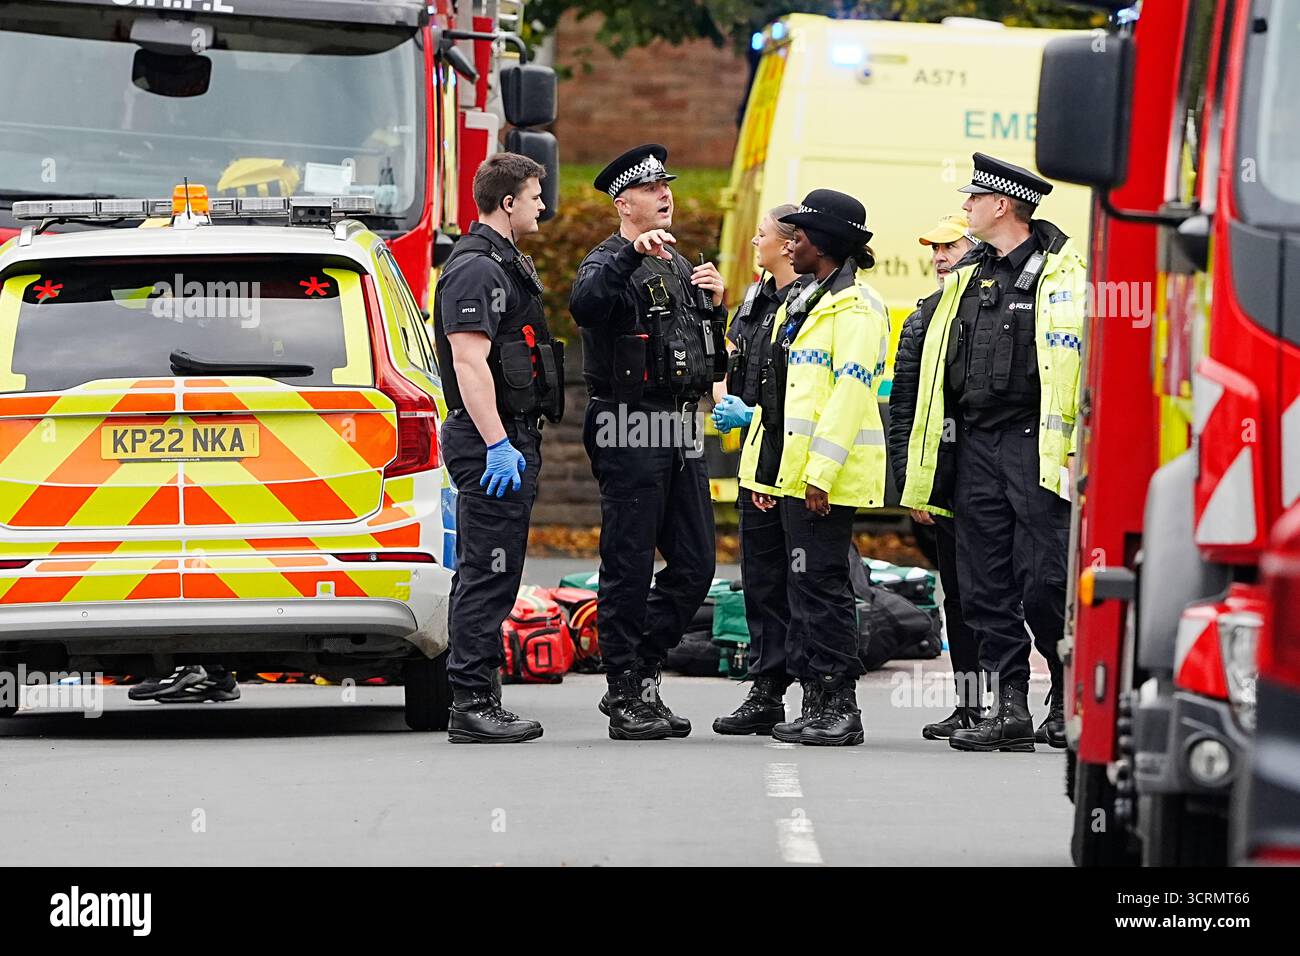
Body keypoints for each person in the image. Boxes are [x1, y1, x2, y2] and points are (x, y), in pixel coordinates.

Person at [901, 153, 1086, 752]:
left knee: (1046, 581)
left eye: (974, 200)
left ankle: (1064, 697)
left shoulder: (1067, 275)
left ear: (1002, 205)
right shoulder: (964, 278)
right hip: (974, 445)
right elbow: (931, 375)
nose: (966, 208)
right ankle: (1006, 709)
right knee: (983, 584)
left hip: (1037, 446)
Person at [569, 144, 728, 741]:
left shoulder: (680, 264)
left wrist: (713, 306)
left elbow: (701, 351)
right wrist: (626, 258)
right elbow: (585, 306)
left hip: (680, 425)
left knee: (695, 563)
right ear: (623, 202)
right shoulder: (606, 260)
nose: (666, 195)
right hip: (628, 423)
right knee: (629, 563)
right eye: (653, 188)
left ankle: (643, 663)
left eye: (668, 185)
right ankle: (624, 689)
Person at [737, 189, 890, 747]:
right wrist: (766, 474)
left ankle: (839, 706)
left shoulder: (856, 307)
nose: (790, 242)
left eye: (799, 236)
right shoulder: (807, 301)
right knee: (801, 589)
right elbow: (783, 396)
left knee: (823, 590)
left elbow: (849, 395)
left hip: (821, 478)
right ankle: (816, 700)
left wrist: (819, 475)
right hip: (789, 473)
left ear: (823, 244)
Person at [432, 152, 562, 743]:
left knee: (493, 571)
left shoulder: (501, 262)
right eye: (535, 196)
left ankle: (477, 697)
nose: (543, 205)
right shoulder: (477, 270)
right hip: (491, 440)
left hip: (504, 437)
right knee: (487, 572)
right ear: (507, 202)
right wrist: (497, 444)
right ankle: (472, 703)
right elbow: (468, 360)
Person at [887, 214, 983, 739]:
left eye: (951, 246)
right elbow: (903, 406)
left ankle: (1045, 703)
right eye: (935, 249)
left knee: (1015, 591)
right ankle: (971, 705)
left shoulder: (993, 306)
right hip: (945, 479)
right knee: (960, 595)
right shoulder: (922, 318)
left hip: (1000, 475)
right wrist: (911, 481)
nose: (940, 257)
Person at [710, 203, 803, 735]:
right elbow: (732, 364)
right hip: (757, 460)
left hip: (795, 462)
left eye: (761, 234)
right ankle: (767, 689)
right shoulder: (755, 300)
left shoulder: (809, 303)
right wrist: (730, 401)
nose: (754, 242)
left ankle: (819, 691)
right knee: (761, 580)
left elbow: (805, 391)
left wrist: (760, 415)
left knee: (804, 583)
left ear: (789, 243)